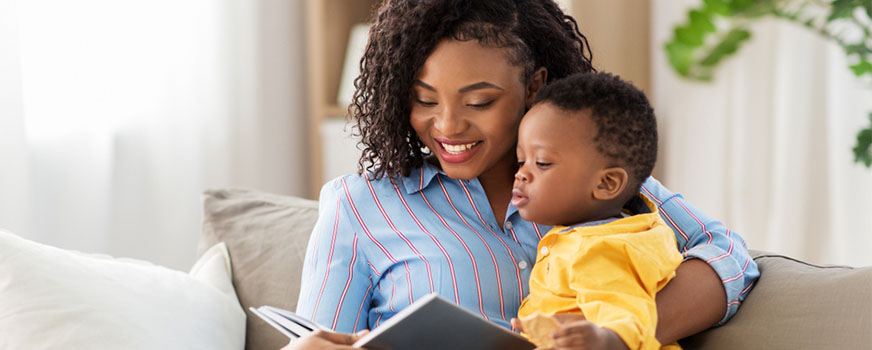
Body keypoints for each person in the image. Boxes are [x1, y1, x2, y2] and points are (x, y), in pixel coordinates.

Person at [288, 0, 759, 349]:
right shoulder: (359, 205)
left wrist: (617, 335)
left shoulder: (597, 183)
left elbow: (731, 256)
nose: (448, 126)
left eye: (480, 102)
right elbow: (317, 336)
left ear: (533, 86)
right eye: (425, 100)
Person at [508, 72, 681, 350]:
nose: (521, 175)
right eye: (520, 160)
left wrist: (603, 340)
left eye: (541, 163)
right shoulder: (609, 230)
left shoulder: (602, 250)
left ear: (606, 183)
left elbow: (626, 314)